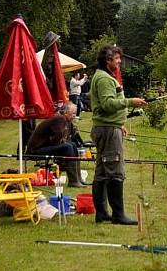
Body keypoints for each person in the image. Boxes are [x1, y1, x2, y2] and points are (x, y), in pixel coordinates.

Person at [89, 45, 146, 225]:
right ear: (108, 60)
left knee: (102, 172)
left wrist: (119, 124)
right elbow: (107, 104)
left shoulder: (101, 76)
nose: (120, 61)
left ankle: (102, 213)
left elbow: (107, 106)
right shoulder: (105, 79)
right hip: (107, 130)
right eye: (117, 58)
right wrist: (131, 102)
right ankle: (118, 215)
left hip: (107, 127)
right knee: (115, 172)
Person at [26, 102, 87, 188]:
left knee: (72, 144)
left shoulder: (61, 118)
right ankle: (73, 181)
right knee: (68, 146)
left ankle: (78, 178)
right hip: (36, 150)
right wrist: (61, 148)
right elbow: (57, 136)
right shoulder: (60, 119)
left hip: (43, 146)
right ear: (66, 113)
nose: (74, 115)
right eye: (73, 113)